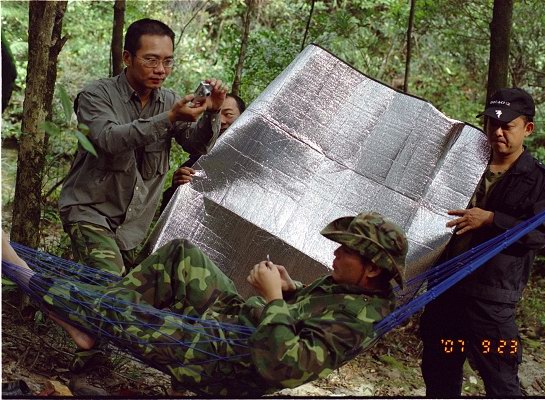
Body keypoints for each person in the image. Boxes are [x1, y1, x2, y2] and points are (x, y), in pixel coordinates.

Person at [2, 212, 408, 396]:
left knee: (127, 314)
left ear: (372, 268)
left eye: (345, 252)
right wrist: (290, 289)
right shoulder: (354, 288)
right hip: (234, 325)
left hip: (225, 362)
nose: (335, 255)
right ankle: (96, 322)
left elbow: (285, 367)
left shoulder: (359, 321)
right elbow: (311, 314)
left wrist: (272, 299)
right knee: (181, 253)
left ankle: (19, 268)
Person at [58, 18, 227, 277]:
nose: (160, 69)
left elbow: (198, 146)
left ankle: (56, 298)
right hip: (89, 213)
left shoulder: (169, 101)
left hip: (131, 229)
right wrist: (169, 118)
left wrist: (212, 112)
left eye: (167, 61)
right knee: (111, 282)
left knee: (111, 291)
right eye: (151, 60)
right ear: (127, 57)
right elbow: (109, 139)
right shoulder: (96, 96)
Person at [419, 88, 545, 397]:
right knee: (439, 374)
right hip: (445, 294)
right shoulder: (463, 166)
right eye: (492, 124)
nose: (497, 132)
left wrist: (492, 220)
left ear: (528, 128)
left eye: (507, 126)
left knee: (500, 379)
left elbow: (541, 233)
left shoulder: (539, 179)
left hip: (491, 304)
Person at [159, 93, 246, 213]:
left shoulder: (253, 156)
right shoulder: (197, 160)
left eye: (228, 114)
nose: (220, 121)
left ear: (244, 116)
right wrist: (177, 184)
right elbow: (170, 211)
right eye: (216, 115)